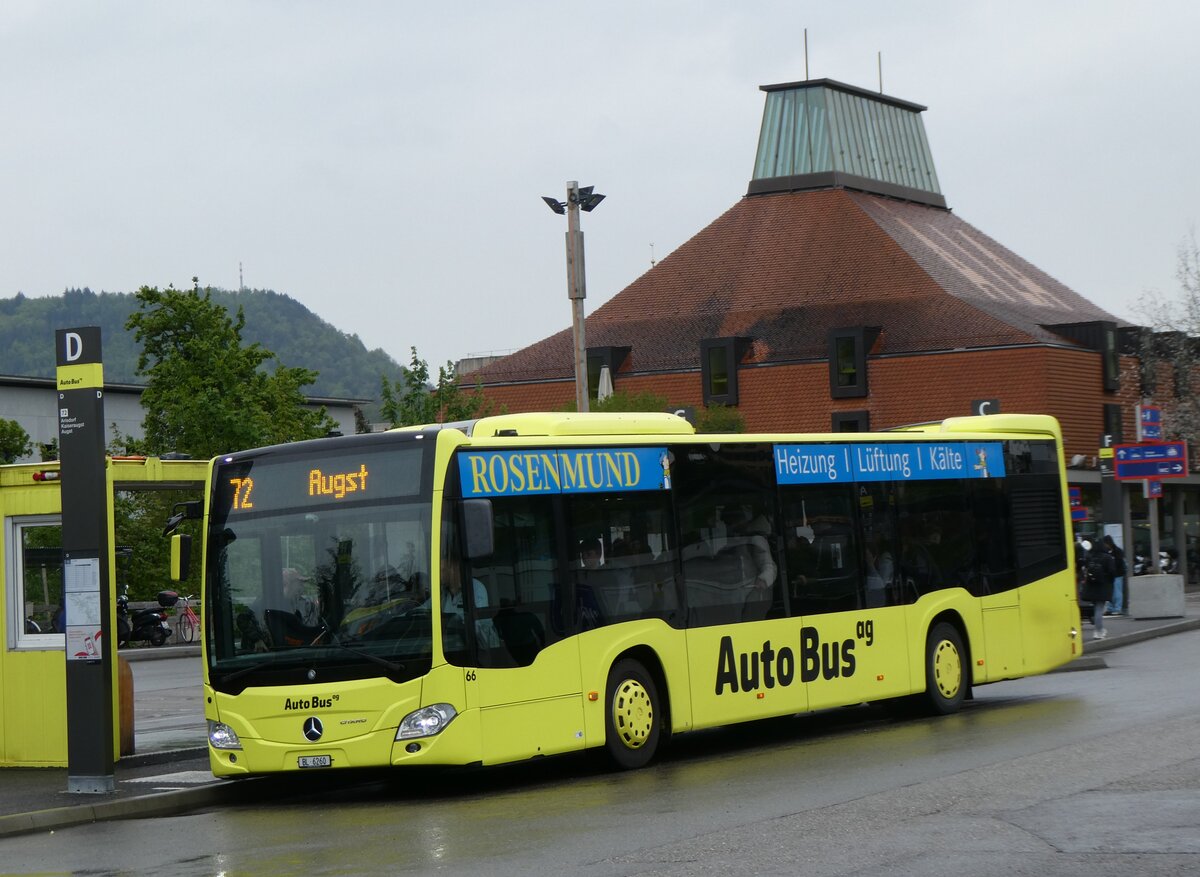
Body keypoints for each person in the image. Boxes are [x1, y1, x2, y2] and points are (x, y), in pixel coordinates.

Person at [1079, 539, 1115, 640]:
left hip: (1092, 586)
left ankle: (1099, 630)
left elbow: (1085, 569)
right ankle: (1098, 631)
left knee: (1096, 608)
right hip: (1103, 586)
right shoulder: (1108, 558)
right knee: (1099, 609)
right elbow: (1112, 572)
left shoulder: (1090, 557)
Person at [1102, 535, 1126, 616]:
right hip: (1110, 575)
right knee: (1111, 592)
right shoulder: (1107, 551)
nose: (1105, 545)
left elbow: (1119, 563)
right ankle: (1110, 608)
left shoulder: (1117, 551)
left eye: (1105, 543)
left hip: (1117, 574)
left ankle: (1117, 608)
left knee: (1117, 592)